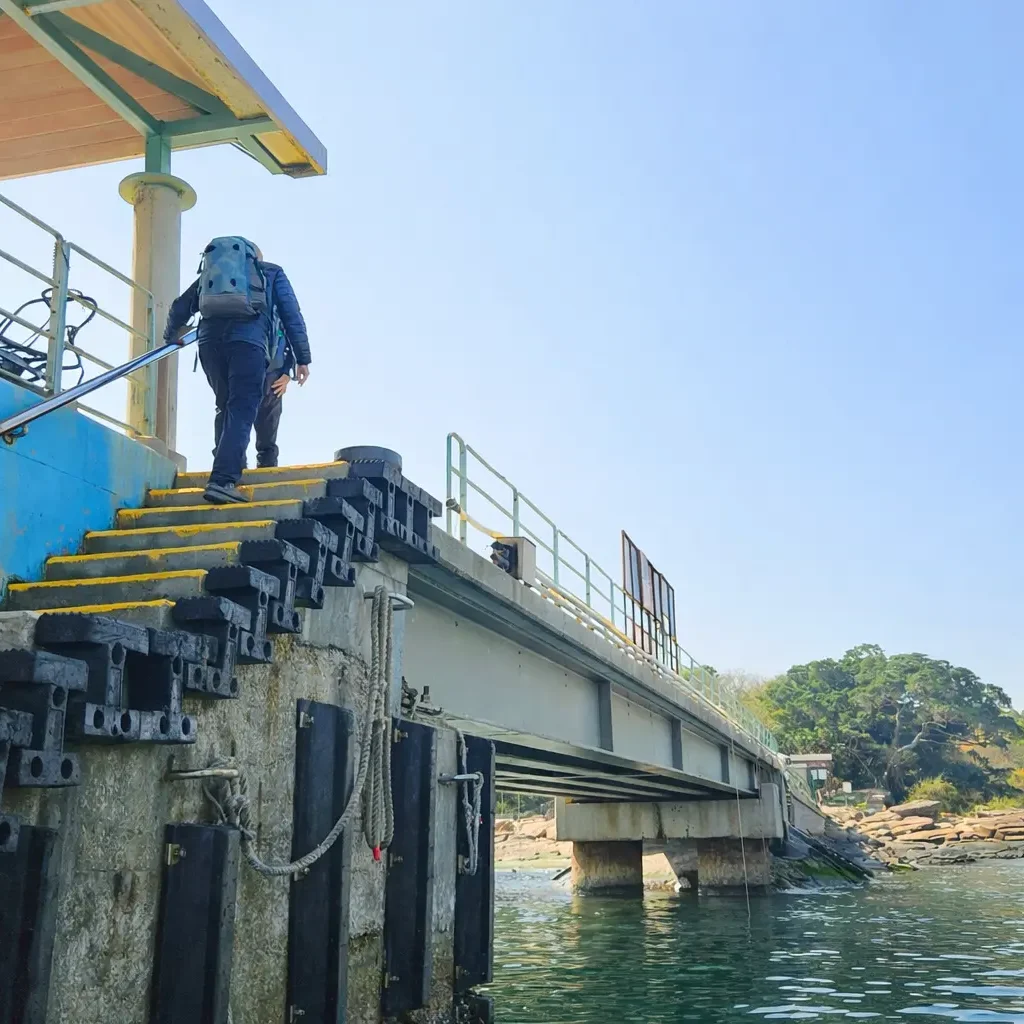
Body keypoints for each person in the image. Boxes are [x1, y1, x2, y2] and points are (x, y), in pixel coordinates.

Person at [165, 240, 310, 503]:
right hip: (247, 344)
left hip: (209, 345)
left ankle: (230, 470)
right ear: (256, 258)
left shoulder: (211, 276)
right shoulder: (271, 272)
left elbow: (180, 306)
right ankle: (223, 480)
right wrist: (303, 358)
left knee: (225, 406)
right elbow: (292, 316)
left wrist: (170, 335)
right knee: (242, 408)